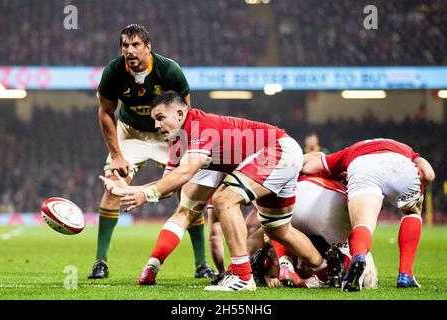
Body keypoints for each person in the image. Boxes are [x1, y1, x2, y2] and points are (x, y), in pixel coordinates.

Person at [100, 91, 329, 291]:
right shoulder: (178, 141)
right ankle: (325, 272)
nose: (156, 125)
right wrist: (131, 189)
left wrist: (145, 195)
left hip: (277, 149)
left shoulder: (199, 125)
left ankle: (242, 276)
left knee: (224, 199)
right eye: (154, 120)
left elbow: (185, 173)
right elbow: (169, 184)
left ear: (180, 115)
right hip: (280, 153)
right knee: (279, 230)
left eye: (160, 118)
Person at [89, 24, 214, 280]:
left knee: (187, 190)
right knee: (114, 186)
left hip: (166, 133)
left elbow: (184, 115)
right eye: (125, 45)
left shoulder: (169, 70)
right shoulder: (113, 71)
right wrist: (116, 155)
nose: (129, 50)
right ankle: (100, 262)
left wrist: (180, 157)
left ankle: (201, 264)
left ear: (148, 47)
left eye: (135, 45)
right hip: (130, 131)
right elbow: (105, 112)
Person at [302, 138, 435, 291]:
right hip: (398, 163)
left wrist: (341, 175)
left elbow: (309, 168)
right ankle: (406, 275)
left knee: (362, 224)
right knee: (412, 212)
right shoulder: (405, 148)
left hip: (362, 167)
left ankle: (358, 256)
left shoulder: (349, 150)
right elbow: (427, 172)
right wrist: (420, 189)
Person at [244, 175, 378, 289]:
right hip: (324, 198)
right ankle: (319, 272)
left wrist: (271, 273)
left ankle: (317, 272)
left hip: (299, 196)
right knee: (366, 278)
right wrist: (270, 275)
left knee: (364, 277)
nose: (301, 267)